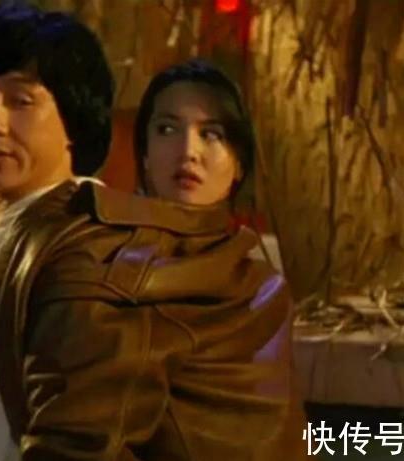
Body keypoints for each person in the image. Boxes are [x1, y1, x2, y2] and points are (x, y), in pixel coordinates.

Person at [0, 5, 300, 460]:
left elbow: (82, 439)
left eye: (21, 101)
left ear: (73, 117)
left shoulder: (90, 249)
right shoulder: (19, 237)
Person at [134, 59, 307, 458]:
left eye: (211, 134)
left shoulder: (262, 292)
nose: (188, 151)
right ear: (144, 155)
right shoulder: (109, 273)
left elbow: (281, 434)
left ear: (238, 164)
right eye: (167, 130)